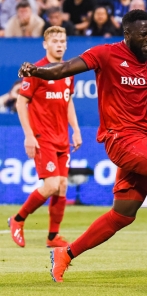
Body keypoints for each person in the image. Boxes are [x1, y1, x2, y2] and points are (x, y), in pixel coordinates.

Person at [18, 10, 147, 283]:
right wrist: (37, 71)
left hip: (143, 141)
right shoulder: (106, 54)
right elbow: (64, 68)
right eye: (143, 34)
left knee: (122, 214)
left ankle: (65, 255)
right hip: (120, 138)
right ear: (127, 34)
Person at [8, 26, 82, 248]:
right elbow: (22, 102)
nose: (59, 45)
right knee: (50, 185)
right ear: (45, 44)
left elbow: (68, 101)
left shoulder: (68, 72)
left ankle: (52, 237)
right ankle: (18, 219)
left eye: (62, 41)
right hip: (43, 137)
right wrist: (28, 136)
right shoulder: (36, 70)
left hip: (62, 138)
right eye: (55, 41)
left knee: (61, 186)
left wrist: (76, 129)